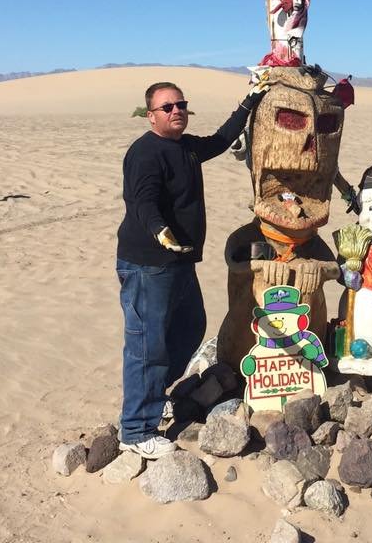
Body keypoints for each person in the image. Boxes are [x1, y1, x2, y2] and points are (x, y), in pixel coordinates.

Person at [116, 78, 265, 459]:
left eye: (181, 104)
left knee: (190, 328)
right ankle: (135, 430)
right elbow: (142, 201)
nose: (176, 111)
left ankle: (152, 395)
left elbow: (221, 139)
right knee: (148, 346)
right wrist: (158, 229)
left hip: (179, 262)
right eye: (167, 107)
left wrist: (249, 102)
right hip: (148, 265)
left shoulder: (185, 147)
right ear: (151, 116)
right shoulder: (146, 153)